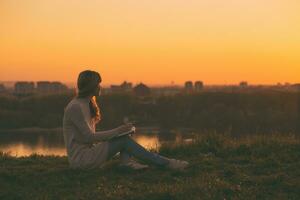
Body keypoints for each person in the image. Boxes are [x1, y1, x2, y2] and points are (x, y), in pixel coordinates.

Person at [63, 70, 189, 170]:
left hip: (89, 154)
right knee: (123, 140)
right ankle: (167, 163)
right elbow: (89, 137)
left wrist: (120, 132)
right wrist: (117, 131)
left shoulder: (88, 103)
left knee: (123, 137)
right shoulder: (76, 107)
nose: (100, 87)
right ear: (90, 87)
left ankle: (126, 163)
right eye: (98, 84)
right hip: (81, 160)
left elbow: (89, 138)